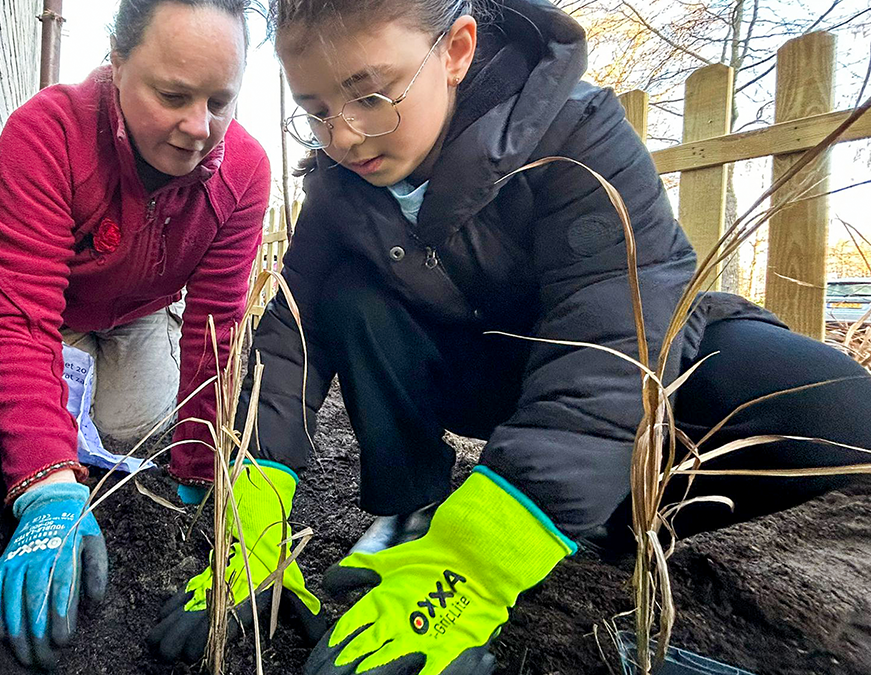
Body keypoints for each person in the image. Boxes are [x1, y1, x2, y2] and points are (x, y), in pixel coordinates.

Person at [147, 0, 871, 672]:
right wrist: (252, 524)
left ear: (457, 49)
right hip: (479, 373)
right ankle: (413, 510)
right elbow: (286, 345)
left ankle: (604, 517)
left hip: (631, 360)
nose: (342, 136)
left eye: (371, 96)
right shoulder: (341, 189)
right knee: (343, 295)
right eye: (314, 110)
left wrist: (477, 561)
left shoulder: (580, 138)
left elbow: (615, 344)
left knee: (840, 413)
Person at [0, 0, 269, 667]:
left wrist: (199, 467)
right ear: (116, 60)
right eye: (172, 95)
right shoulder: (47, 134)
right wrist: (46, 487)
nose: (199, 129)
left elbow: (216, 323)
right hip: (59, 312)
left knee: (136, 428)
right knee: (19, 421)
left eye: (220, 100)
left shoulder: (244, 171)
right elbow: (21, 316)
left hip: (142, 312)